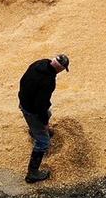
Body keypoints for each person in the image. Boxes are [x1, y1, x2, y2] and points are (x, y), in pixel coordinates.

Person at [17, 53, 69, 183]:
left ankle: (35, 130)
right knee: (43, 142)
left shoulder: (38, 63)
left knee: (48, 113)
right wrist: (44, 123)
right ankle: (32, 174)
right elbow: (40, 105)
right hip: (32, 110)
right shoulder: (48, 81)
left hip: (24, 101)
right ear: (61, 69)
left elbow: (22, 80)